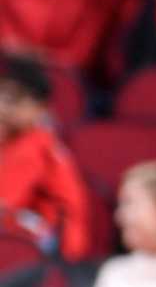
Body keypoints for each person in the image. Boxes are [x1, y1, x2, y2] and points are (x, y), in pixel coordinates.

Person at [0, 49, 90, 256]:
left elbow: (5, 202)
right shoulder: (14, 138)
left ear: (40, 108)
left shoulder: (35, 143)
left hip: (55, 248)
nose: (2, 107)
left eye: (12, 100)